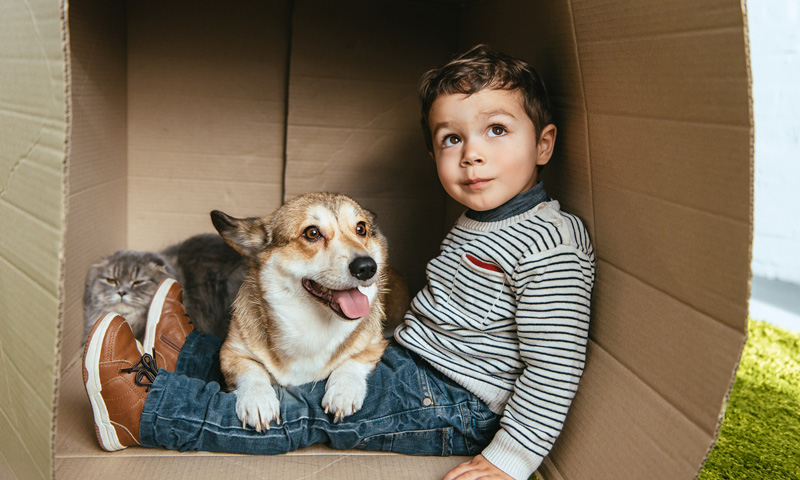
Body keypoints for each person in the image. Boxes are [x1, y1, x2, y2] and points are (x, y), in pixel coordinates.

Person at [83, 45, 595, 480]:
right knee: (281, 369)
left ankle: (150, 413)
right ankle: (184, 351)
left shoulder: (550, 242)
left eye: (497, 130)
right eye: (451, 139)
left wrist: (511, 459)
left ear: (544, 144)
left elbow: (556, 366)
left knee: (302, 411)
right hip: (411, 364)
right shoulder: (482, 222)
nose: (472, 155)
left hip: (457, 405)